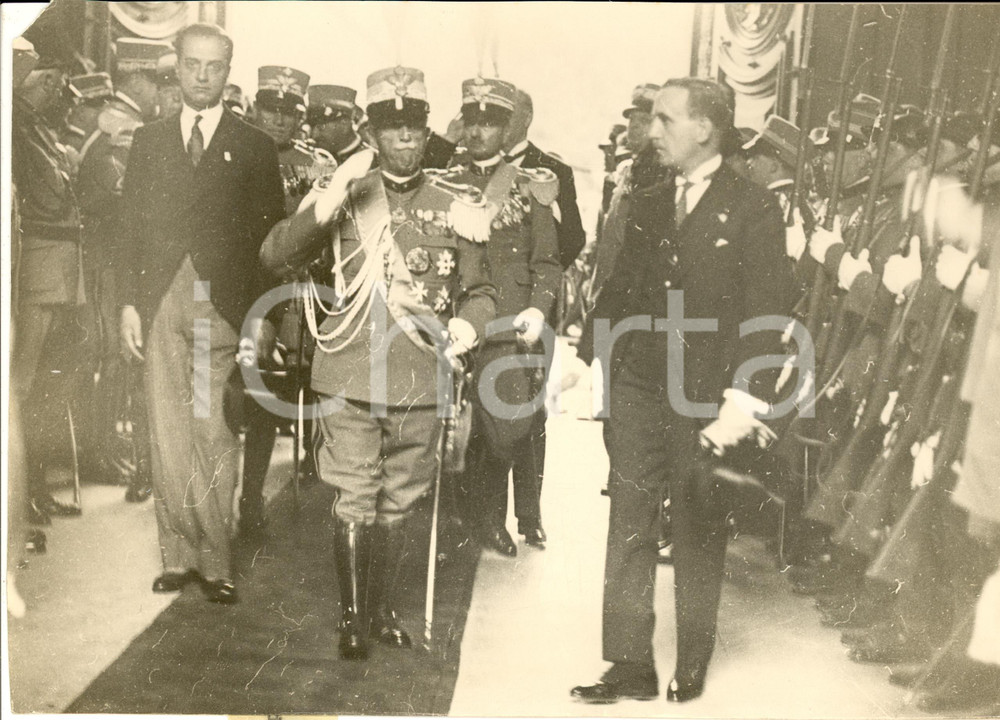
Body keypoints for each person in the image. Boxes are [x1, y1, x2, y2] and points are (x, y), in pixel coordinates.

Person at [260, 65, 497, 661]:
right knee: (354, 495)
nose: (406, 138)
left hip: (420, 373)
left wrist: (470, 322)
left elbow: (481, 288)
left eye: (414, 124)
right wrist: (326, 200)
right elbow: (275, 255)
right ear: (372, 132)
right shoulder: (344, 192)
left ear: (425, 129)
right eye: (392, 127)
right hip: (350, 369)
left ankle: (384, 608)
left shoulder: (456, 204)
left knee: (401, 499)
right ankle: (350, 616)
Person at [573, 77, 795, 704]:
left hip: (707, 391)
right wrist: (591, 363)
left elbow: (766, 311)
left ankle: (692, 660)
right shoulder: (646, 199)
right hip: (640, 380)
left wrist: (744, 398)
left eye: (666, 120)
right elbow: (617, 288)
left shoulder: (754, 208)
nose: (652, 132)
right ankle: (628, 664)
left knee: (698, 521)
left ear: (706, 127)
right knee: (630, 517)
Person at [118, 22, 285, 604]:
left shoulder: (256, 147)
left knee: (212, 427)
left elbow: (271, 243)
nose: (202, 75)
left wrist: (262, 316)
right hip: (162, 295)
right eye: (192, 64)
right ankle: (178, 555)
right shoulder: (148, 141)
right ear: (178, 66)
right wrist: (129, 307)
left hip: (223, 302)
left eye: (213, 66)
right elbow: (129, 233)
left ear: (228, 70)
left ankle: (216, 560)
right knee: (165, 429)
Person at [448, 76, 561, 556]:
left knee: (501, 431)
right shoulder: (441, 183)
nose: (478, 133)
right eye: (471, 122)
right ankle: (456, 520)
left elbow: (548, 261)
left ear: (506, 128)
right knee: (449, 429)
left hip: (508, 323)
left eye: (489, 123)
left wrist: (538, 307)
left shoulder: (528, 187)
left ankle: (491, 519)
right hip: (453, 319)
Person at [77, 38, 167, 503]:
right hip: (114, 258)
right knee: (116, 359)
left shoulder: (127, 121)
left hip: (118, 257)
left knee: (120, 358)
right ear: (136, 77)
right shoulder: (121, 125)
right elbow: (121, 197)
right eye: (158, 81)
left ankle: (113, 450)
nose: (161, 92)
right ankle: (105, 451)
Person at [238, 63, 316, 538]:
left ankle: (250, 498)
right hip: (229, 288)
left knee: (265, 397)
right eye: (271, 108)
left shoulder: (316, 165)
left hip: (282, 294)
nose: (280, 120)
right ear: (255, 107)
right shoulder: (228, 151)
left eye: (289, 112)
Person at [12, 50, 87, 526]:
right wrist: (65, 168)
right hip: (40, 264)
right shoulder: (19, 124)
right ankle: (21, 495)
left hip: (56, 265)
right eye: (52, 84)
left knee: (45, 386)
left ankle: (34, 488)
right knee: (24, 383)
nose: (58, 95)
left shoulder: (33, 123)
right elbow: (54, 191)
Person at [503, 88, 586, 269]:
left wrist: (543, 276)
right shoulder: (482, 162)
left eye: (509, 113)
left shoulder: (556, 170)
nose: (503, 121)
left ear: (527, 119)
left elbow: (575, 237)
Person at [308, 84, 365, 163]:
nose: (315, 133)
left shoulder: (369, 161)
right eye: (312, 125)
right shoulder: (314, 157)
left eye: (322, 127)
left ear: (344, 123)